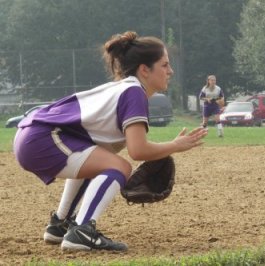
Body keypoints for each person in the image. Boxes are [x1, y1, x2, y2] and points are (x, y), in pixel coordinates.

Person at [13, 31, 208, 251]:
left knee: (101, 160)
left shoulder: (126, 88)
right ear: (144, 69)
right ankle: (82, 232)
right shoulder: (134, 92)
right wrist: (175, 146)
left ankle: (61, 224)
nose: (170, 71)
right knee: (120, 167)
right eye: (164, 65)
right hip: (43, 138)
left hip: (32, 136)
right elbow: (137, 150)